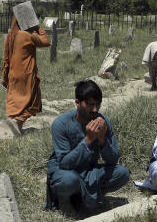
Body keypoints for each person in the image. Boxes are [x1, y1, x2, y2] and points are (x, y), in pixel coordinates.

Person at [46, 80, 131, 214]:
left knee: (122, 173)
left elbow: (113, 159)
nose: (95, 109)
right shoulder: (60, 124)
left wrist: (102, 139)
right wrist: (89, 139)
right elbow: (64, 164)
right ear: (77, 102)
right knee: (69, 181)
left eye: (98, 104)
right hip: (67, 171)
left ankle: (86, 198)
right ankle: (65, 200)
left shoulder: (102, 121)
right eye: (90, 105)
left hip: (89, 170)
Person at [2, 15, 50, 133]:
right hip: (27, 75)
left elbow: (6, 60)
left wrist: (4, 77)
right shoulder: (28, 36)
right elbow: (46, 42)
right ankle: (18, 122)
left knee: (15, 101)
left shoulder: (10, 36)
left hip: (13, 75)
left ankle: (15, 125)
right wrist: (38, 27)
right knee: (31, 101)